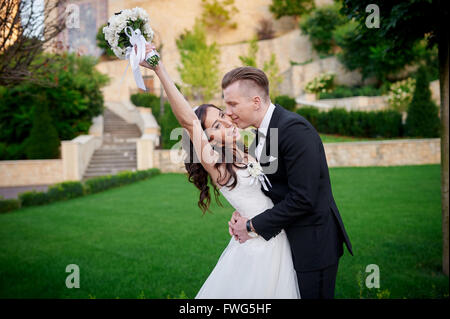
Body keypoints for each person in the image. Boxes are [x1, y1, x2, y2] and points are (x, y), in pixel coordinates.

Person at [140, 44, 300, 298]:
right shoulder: (217, 165)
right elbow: (187, 121)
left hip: (276, 236)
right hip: (260, 250)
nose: (227, 120)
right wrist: (159, 69)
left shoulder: (250, 150)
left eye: (223, 114)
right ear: (207, 138)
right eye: (216, 124)